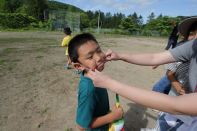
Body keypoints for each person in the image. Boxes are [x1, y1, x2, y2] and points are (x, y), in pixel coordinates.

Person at [87, 17, 197, 116]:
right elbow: (154, 58)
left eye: (98, 51)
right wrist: (119, 56)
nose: (195, 37)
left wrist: (110, 83)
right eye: (192, 33)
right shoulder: (193, 45)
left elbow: (176, 106)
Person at [68, 33, 123, 131]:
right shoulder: (89, 90)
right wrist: (113, 116)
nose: (98, 57)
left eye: (99, 50)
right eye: (90, 57)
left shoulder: (94, 77)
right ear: (78, 66)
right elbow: (82, 126)